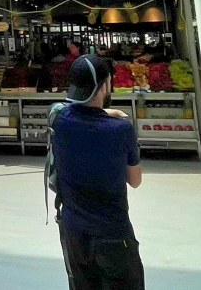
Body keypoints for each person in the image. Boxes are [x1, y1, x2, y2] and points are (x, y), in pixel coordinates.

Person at [50, 55, 143, 290]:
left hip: (73, 233)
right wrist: (115, 114)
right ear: (105, 85)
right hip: (113, 233)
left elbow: (61, 107)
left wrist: (107, 112)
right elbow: (135, 180)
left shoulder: (59, 120)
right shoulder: (121, 129)